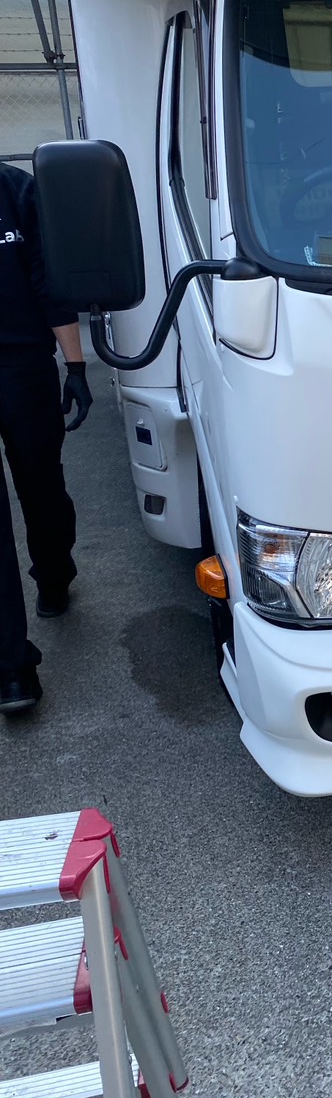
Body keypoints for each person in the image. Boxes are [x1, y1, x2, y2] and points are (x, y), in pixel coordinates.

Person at [0, 159, 92, 715]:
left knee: (41, 487)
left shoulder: (17, 192)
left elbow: (47, 281)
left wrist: (75, 366)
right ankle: (12, 666)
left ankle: (54, 573)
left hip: (22, 366)